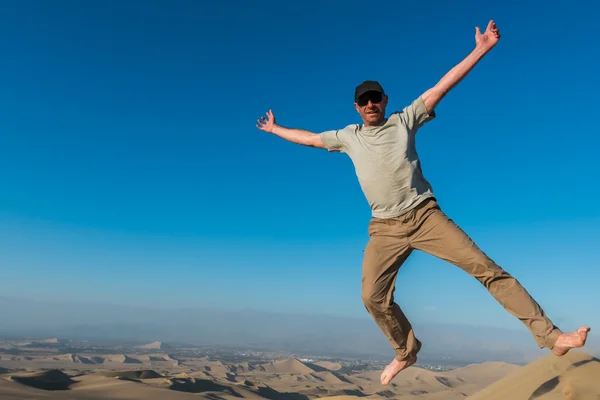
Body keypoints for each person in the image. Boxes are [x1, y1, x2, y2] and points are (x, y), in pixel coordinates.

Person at [255, 20, 590, 385]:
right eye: (364, 100)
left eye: (376, 98)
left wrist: (481, 49)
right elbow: (310, 140)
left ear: (384, 100)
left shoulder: (404, 120)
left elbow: (441, 87)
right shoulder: (347, 137)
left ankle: (552, 337)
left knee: (485, 268)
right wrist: (275, 129)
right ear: (356, 107)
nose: (370, 104)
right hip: (384, 228)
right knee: (372, 296)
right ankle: (406, 352)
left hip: (424, 216)